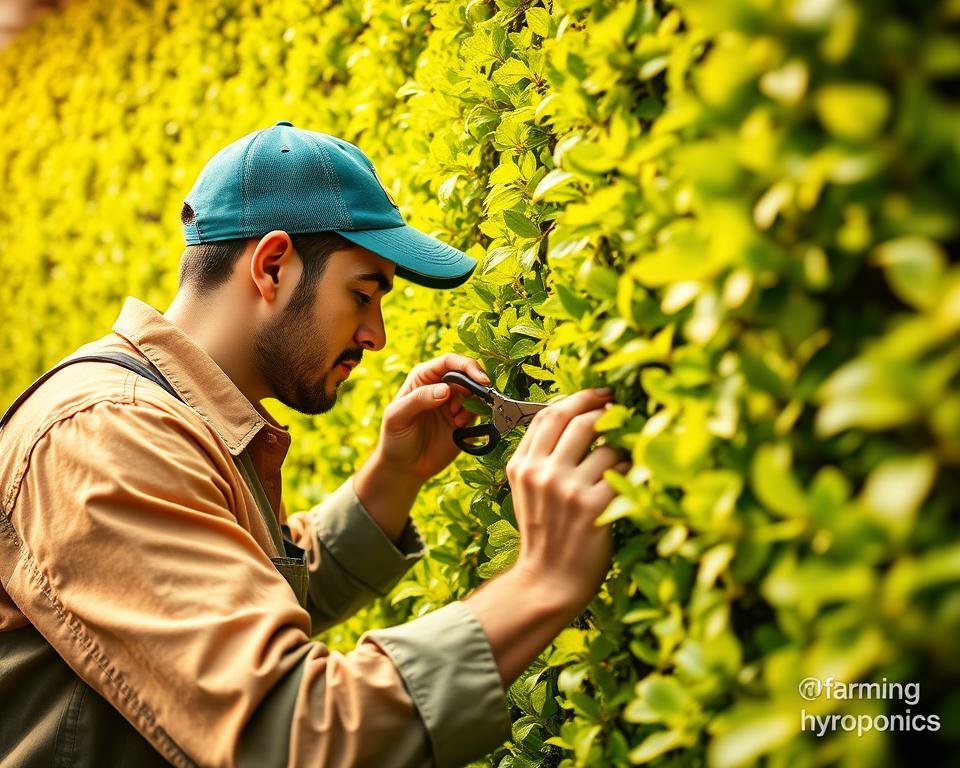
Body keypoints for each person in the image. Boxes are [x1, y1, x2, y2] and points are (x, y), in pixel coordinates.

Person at [0, 121, 630, 767]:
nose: (376, 335)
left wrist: (393, 478)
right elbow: (295, 734)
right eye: (362, 295)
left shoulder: (164, 412)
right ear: (273, 266)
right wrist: (543, 580)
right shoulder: (107, 433)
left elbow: (234, 602)